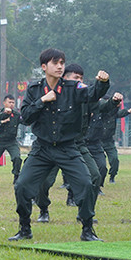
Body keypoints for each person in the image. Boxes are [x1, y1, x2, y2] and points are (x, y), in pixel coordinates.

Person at [10, 48, 109, 242]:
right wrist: (42, 100)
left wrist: (102, 83)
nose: (60, 66)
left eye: (62, 63)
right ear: (44, 66)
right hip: (42, 148)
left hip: (67, 147)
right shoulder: (34, 90)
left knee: (86, 184)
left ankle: (87, 230)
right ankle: (24, 228)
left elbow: (92, 94)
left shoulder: (73, 88)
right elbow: (26, 117)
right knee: (22, 186)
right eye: (55, 63)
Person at [34, 64, 103, 223]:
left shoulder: (83, 95)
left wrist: (112, 100)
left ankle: (85, 213)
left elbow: (100, 103)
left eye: (81, 78)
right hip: (50, 145)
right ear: (64, 78)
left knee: (94, 176)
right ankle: (43, 209)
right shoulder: (50, 95)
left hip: (75, 145)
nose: (80, 81)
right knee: (44, 181)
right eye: (76, 78)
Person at [100, 99, 131, 184]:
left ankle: (112, 176)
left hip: (109, 141)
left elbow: (119, 113)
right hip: (98, 141)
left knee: (114, 159)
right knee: (100, 162)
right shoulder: (100, 112)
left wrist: (127, 111)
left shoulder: (113, 113)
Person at [0, 95, 22, 185]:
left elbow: (25, 121)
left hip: (11, 141)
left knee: (17, 158)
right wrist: (2, 121)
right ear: (4, 103)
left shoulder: (16, 115)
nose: (11, 104)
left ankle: (16, 176)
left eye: (13, 102)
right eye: (9, 102)